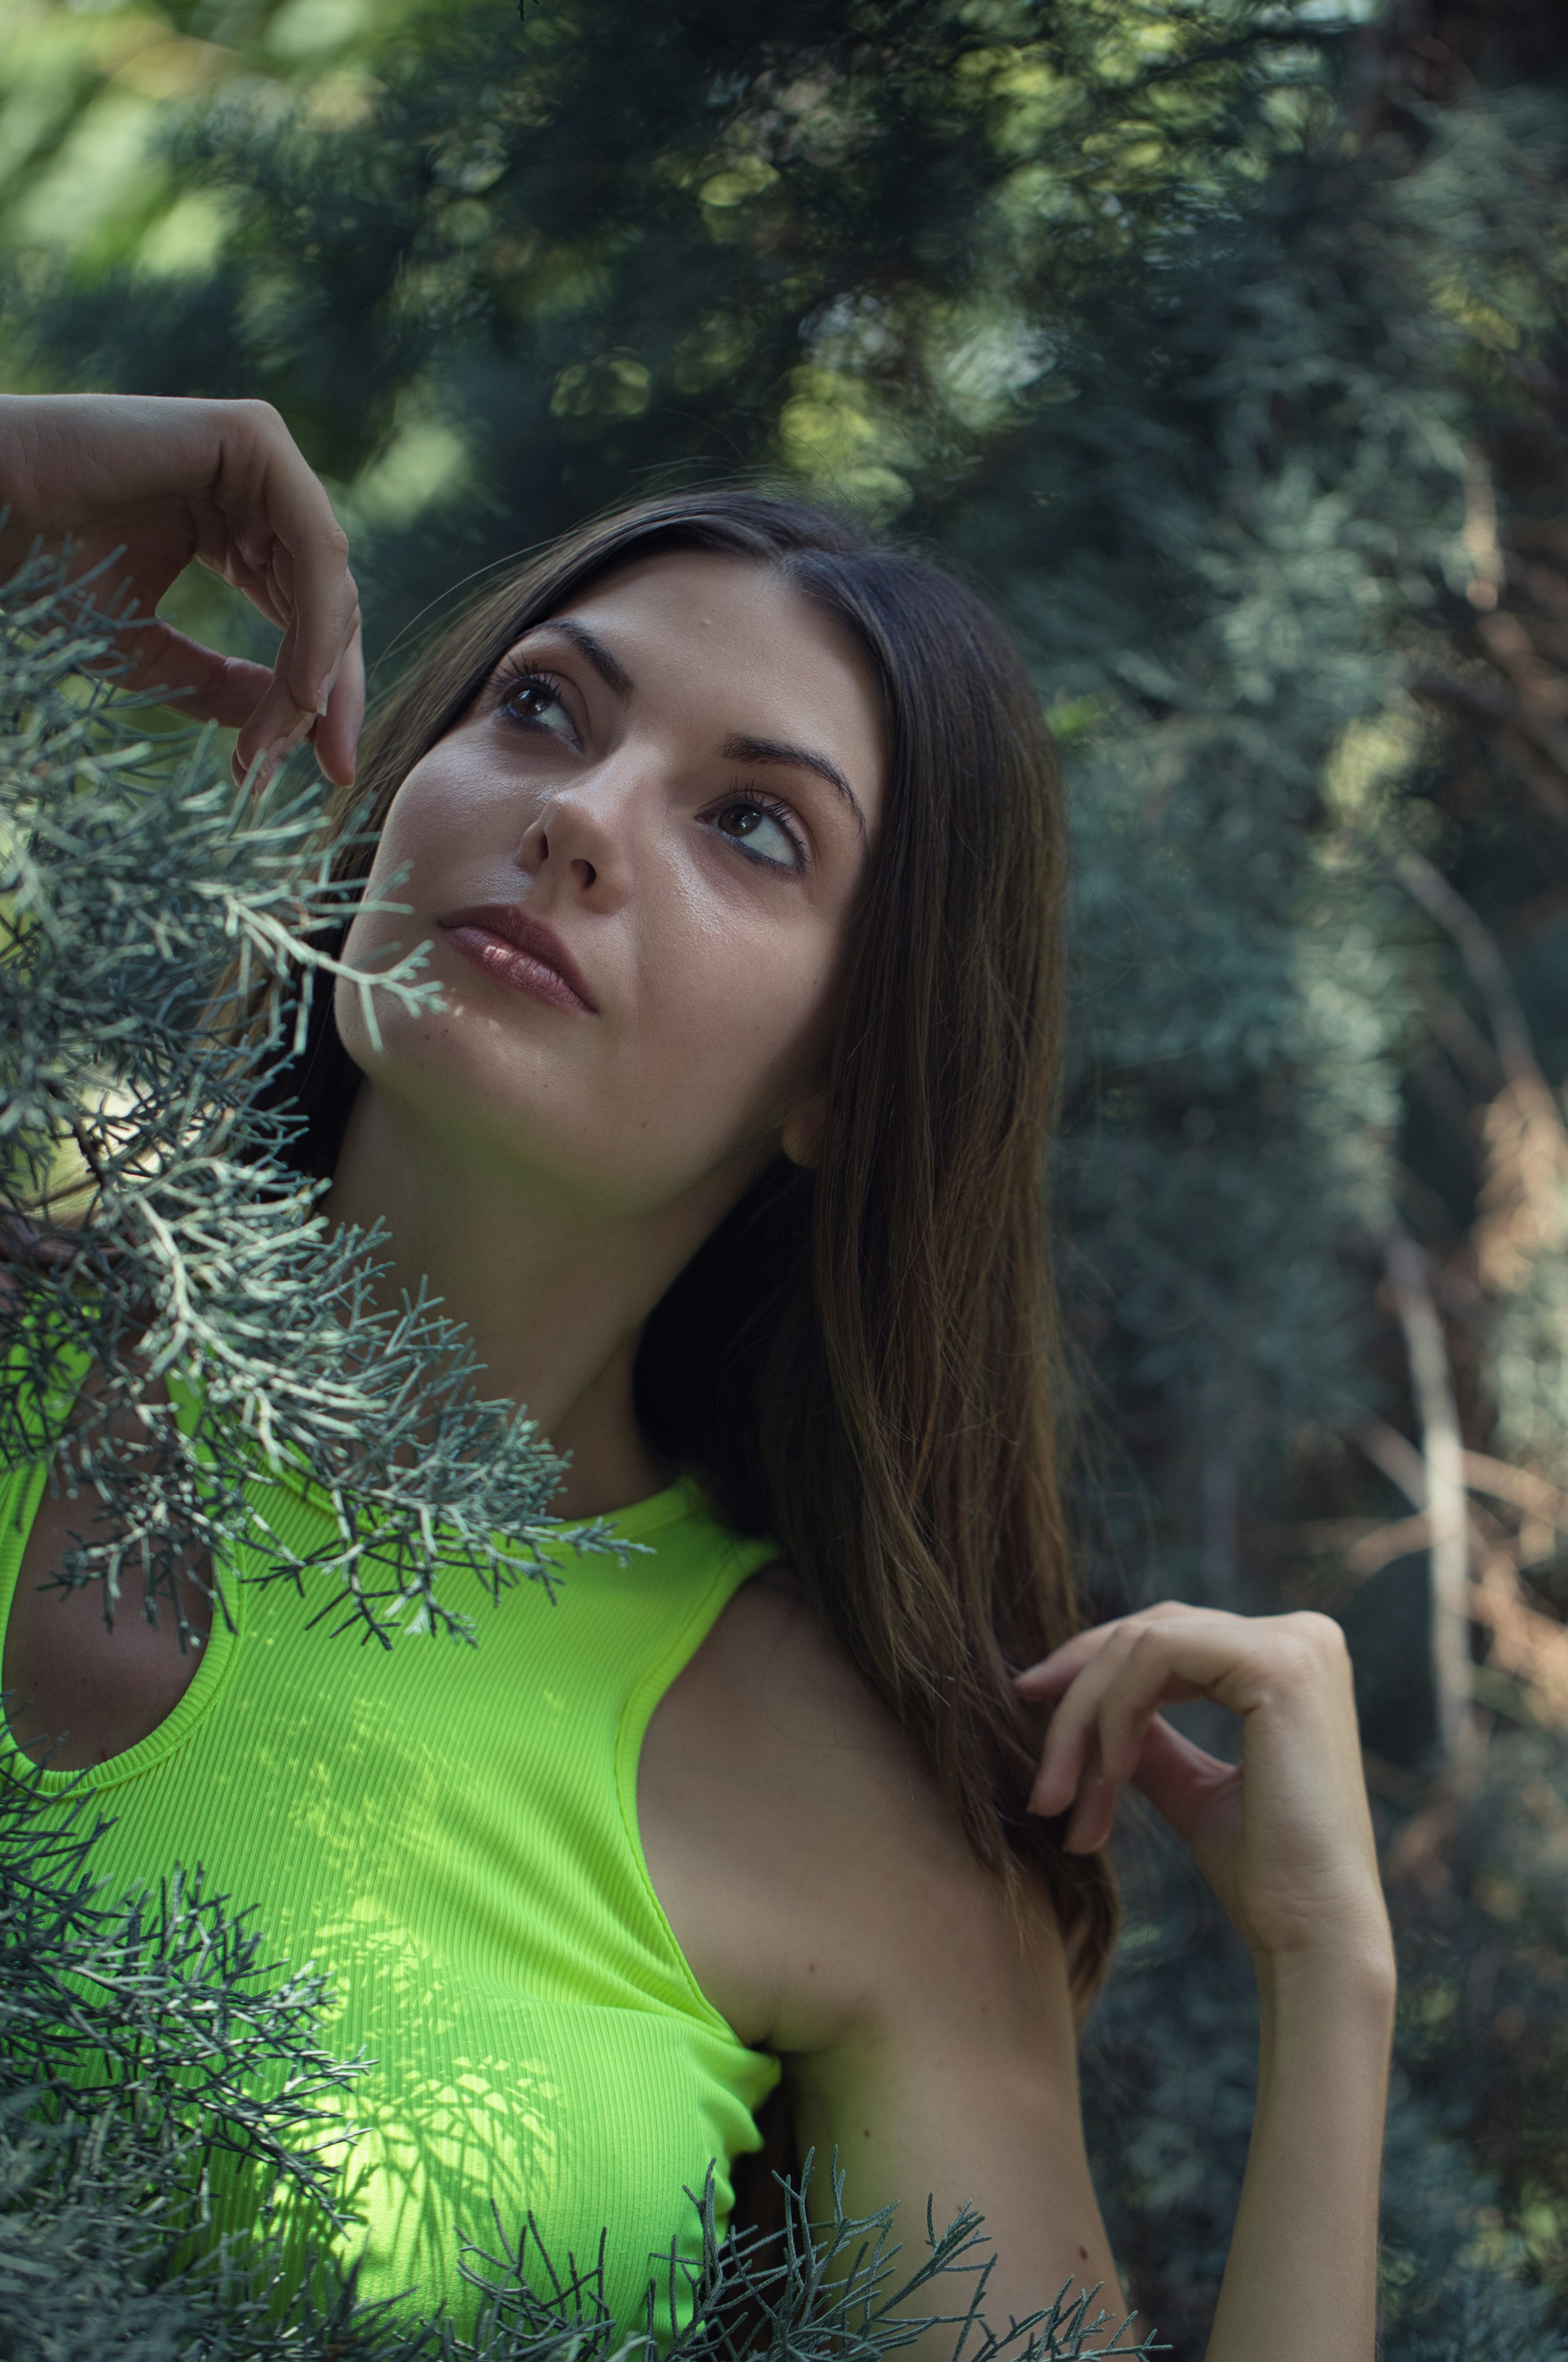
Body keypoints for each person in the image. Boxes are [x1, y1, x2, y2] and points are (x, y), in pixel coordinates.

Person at [0, 393, 1396, 2357]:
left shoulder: (853, 1822)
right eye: (547, 711)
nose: (574, 815)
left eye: (754, 826)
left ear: (850, 1071)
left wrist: (1331, 1982)